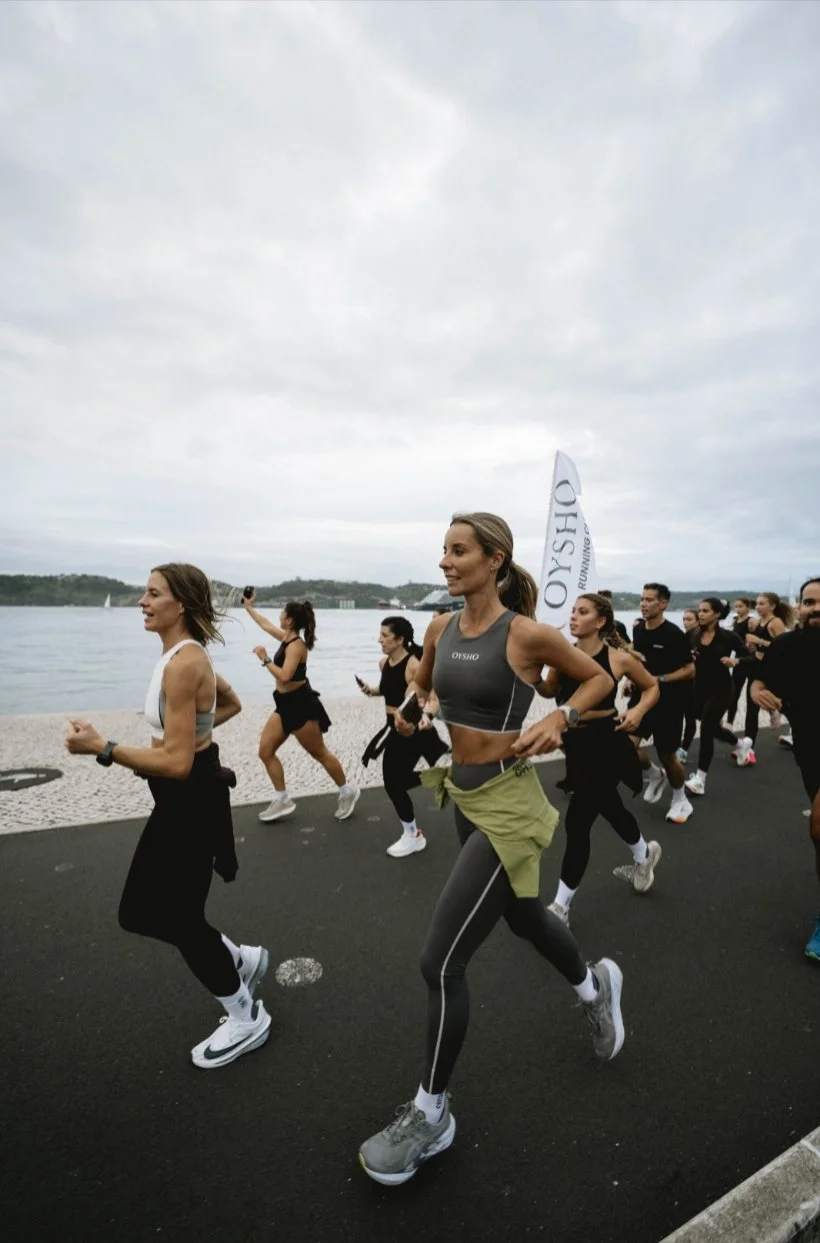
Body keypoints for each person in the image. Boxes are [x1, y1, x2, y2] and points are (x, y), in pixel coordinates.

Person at [358, 512, 625, 1187]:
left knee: (440, 961)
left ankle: (431, 1114)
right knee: (526, 917)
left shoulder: (525, 633)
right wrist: (413, 709)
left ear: (494, 559)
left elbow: (596, 678)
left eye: (459, 550)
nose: (445, 561)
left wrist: (561, 714)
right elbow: (423, 682)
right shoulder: (441, 627)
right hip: (465, 794)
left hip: (509, 803)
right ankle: (595, 987)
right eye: (443, 550)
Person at [65, 564, 271, 1069]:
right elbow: (229, 704)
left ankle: (246, 1015)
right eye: (145, 592)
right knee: (143, 913)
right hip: (181, 801)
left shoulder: (184, 664)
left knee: (173, 917)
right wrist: (193, 737)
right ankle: (238, 958)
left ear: (181, 605)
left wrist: (103, 747)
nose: (143, 600)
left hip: (189, 802)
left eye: (153, 593)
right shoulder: (183, 655)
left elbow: (177, 764)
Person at [545, 594, 661, 924]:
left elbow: (652, 687)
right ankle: (644, 856)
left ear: (600, 621)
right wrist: (533, 672)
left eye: (582, 612)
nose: (573, 616)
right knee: (610, 807)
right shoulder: (562, 655)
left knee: (577, 821)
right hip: (576, 743)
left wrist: (637, 711)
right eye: (573, 611)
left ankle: (560, 907)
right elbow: (547, 691)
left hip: (607, 742)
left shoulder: (618, 659)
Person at [242, 593, 359, 823]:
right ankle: (282, 798)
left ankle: (347, 792)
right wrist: (248, 607)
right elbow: (265, 625)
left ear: (289, 620)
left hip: (301, 705)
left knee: (319, 753)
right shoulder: (286, 638)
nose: (278, 615)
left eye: (282, 612)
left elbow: (285, 676)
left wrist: (265, 659)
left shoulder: (297, 646)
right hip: (283, 704)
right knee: (265, 751)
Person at [751, 578, 820, 959]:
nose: (815, 608)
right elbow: (761, 679)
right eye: (809, 602)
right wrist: (757, 691)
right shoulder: (787, 645)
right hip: (809, 749)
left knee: (819, 825)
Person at [358, 616, 449, 857]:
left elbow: (433, 698)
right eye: (380, 635)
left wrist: (427, 716)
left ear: (400, 639)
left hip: (412, 729)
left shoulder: (414, 665)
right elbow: (389, 688)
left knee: (393, 783)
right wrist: (372, 690)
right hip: (393, 727)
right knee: (397, 781)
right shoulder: (384, 663)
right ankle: (437, 776)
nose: (380, 640)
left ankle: (413, 835)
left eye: (385, 636)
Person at [629, 584, 695, 824]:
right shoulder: (638, 629)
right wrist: (630, 679)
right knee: (625, 746)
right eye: (642, 599)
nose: (643, 604)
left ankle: (680, 799)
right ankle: (654, 774)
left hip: (669, 703)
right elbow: (638, 660)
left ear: (663, 604)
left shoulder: (673, 634)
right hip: (641, 699)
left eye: (649, 600)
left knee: (667, 754)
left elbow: (690, 670)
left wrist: (660, 679)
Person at [683, 599, 748, 798]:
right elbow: (678, 656)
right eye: (700, 611)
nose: (701, 614)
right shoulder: (692, 635)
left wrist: (735, 661)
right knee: (711, 727)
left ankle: (700, 780)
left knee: (706, 729)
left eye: (705, 611)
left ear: (717, 614)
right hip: (699, 689)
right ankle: (740, 744)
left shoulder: (728, 637)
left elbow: (750, 657)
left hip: (722, 689)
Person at [734, 593, 794, 767]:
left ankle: (783, 718)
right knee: (751, 708)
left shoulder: (775, 622)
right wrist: (752, 646)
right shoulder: (758, 622)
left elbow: (784, 647)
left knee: (786, 703)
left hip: (772, 670)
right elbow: (759, 648)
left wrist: (759, 640)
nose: (758, 607)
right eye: (757, 604)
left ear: (772, 606)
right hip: (757, 667)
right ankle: (748, 748)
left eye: (762, 604)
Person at [727, 598, 755, 725]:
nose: (737, 609)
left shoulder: (751, 621)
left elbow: (756, 637)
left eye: (740, 606)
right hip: (739, 660)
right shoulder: (734, 621)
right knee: (734, 694)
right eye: (736, 606)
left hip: (752, 660)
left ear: (747, 607)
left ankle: (773, 712)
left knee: (753, 696)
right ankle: (729, 723)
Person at [678, 609, 699, 762]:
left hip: (696, 683)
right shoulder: (683, 636)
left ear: (697, 621)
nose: (685, 622)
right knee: (680, 715)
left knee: (690, 717)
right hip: (682, 682)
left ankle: (684, 749)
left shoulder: (699, 637)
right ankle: (678, 747)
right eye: (684, 619)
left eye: (689, 619)